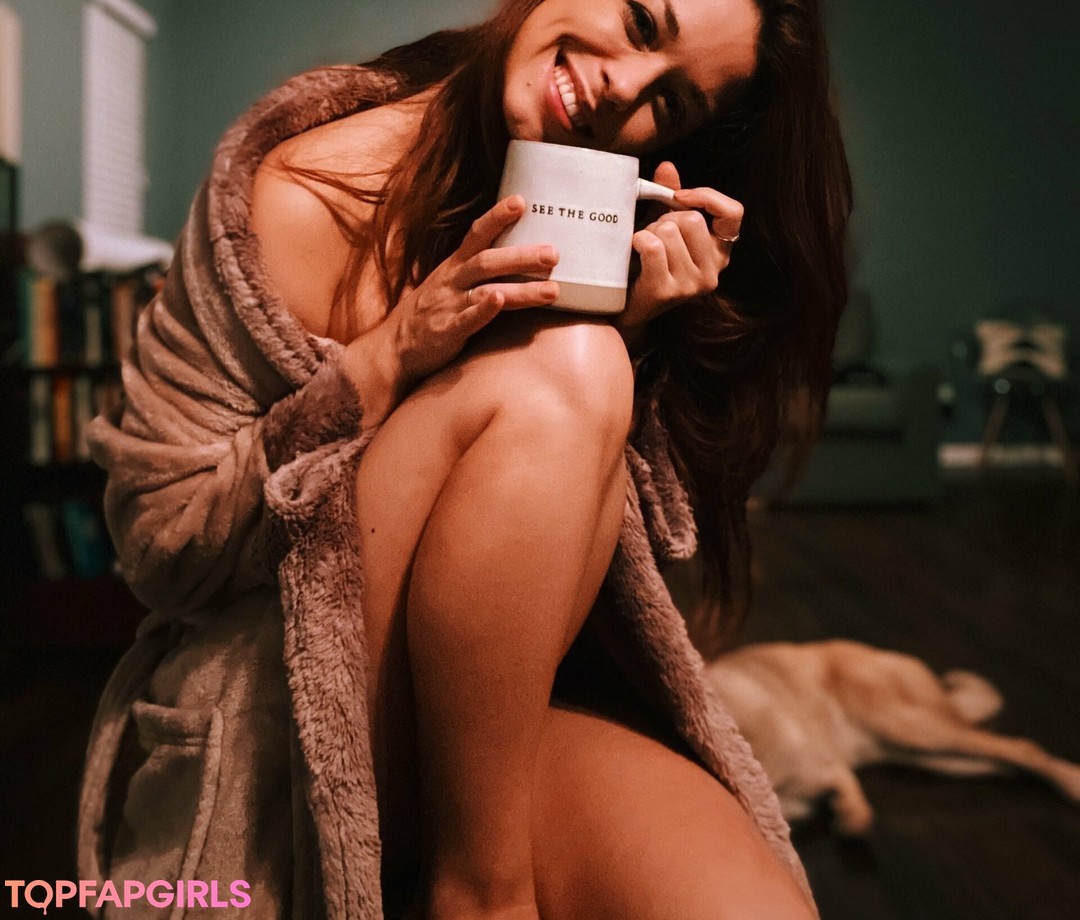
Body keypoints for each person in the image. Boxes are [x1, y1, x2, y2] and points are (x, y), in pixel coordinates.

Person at [78, 0, 851, 918]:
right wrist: (391, 354)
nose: (626, 86)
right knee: (573, 361)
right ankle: (479, 895)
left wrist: (638, 330)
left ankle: (476, 869)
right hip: (286, 711)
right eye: (643, 21)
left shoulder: (601, 231)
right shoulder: (304, 194)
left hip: (494, 713)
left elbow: (586, 564)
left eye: (672, 103)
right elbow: (160, 544)